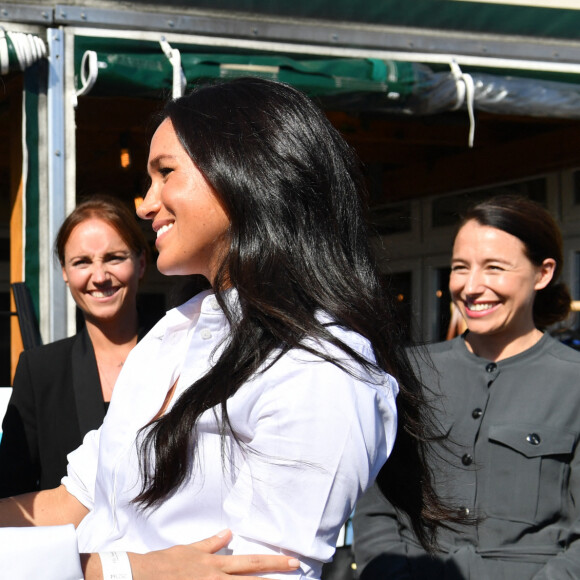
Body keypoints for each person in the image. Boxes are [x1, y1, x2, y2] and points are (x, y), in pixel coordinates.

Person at [0, 77, 452, 579]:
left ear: (247, 170)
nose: (146, 204)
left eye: (165, 173)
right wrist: (121, 568)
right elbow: (76, 500)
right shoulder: (173, 332)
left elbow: (266, 572)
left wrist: (110, 570)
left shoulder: (320, 366)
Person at [353, 194, 580, 580]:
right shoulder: (411, 372)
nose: (472, 287)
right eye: (461, 267)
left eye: (494, 268)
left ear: (542, 273)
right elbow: (376, 504)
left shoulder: (573, 381)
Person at [0, 196, 153, 496]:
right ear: (64, 273)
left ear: (142, 263)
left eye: (114, 258)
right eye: (82, 262)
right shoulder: (40, 370)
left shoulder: (182, 353)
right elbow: (10, 493)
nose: (99, 277)